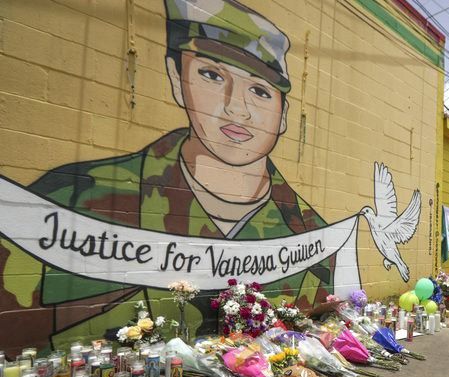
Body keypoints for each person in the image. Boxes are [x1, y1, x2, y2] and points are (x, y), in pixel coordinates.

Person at [0, 0, 335, 352]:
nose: (237, 107)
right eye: (212, 75)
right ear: (177, 79)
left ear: (284, 116)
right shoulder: (70, 200)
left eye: (260, 91)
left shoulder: (314, 237)